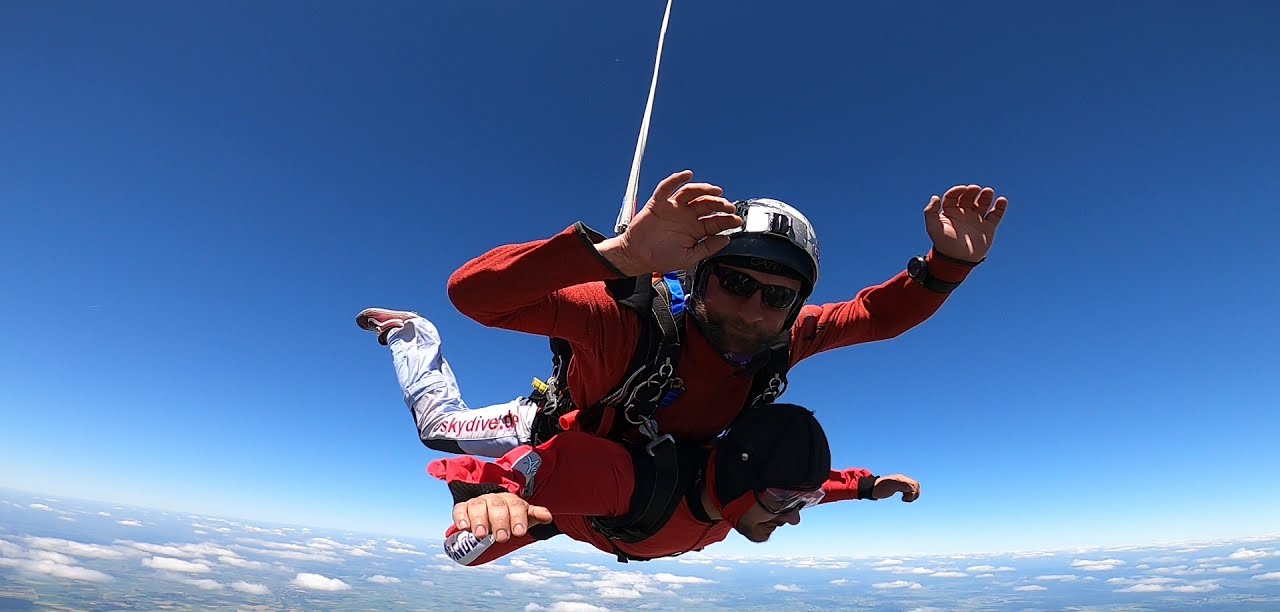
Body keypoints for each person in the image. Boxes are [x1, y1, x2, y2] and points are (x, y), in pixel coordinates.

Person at [358, 170, 1008, 461]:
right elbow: (477, 297)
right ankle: (411, 337)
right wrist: (615, 257)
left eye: (778, 294)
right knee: (438, 430)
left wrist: (947, 264)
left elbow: (877, 316)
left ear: (795, 304)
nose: (754, 305)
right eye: (733, 280)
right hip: (549, 430)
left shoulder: (786, 334)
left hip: (645, 462)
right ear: (698, 279)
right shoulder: (627, 316)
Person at [427, 403, 921, 566]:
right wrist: (487, 495)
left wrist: (866, 486)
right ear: (737, 479)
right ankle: (413, 335)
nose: (794, 516)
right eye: (785, 502)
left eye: (803, 502)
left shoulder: (745, 499)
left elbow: (817, 486)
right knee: (460, 552)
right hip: (557, 499)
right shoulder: (626, 481)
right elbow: (538, 462)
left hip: (598, 524)